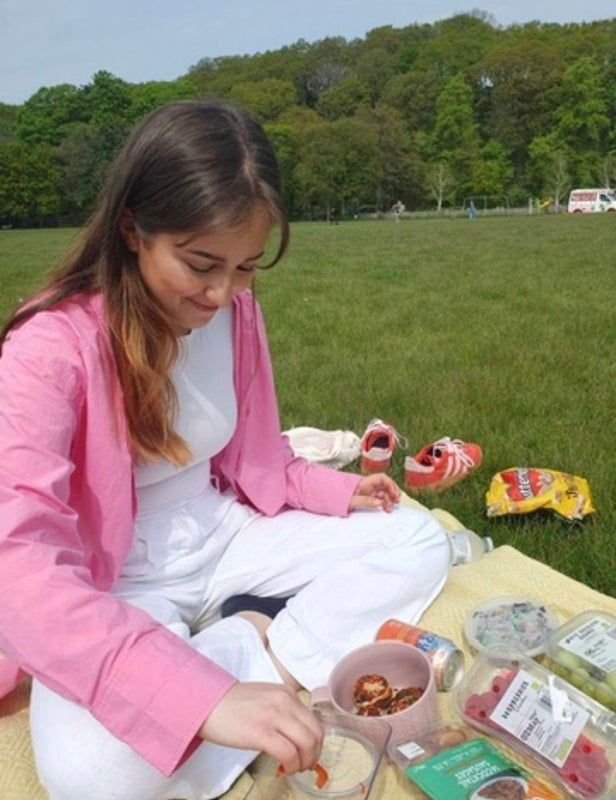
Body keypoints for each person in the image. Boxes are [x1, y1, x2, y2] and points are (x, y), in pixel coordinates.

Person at [0, 99, 451, 800]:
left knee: (417, 540)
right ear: (132, 229)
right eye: (201, 263)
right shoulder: (47, 349)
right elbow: (18, 560)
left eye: (246, 267)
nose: (222, 293)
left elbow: (253, 458)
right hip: (112, 582)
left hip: (221, 532)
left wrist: (336, 491)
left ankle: (252, 643)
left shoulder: (236, 312)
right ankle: (247, 646)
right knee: (94, 779)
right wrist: (195, 695)